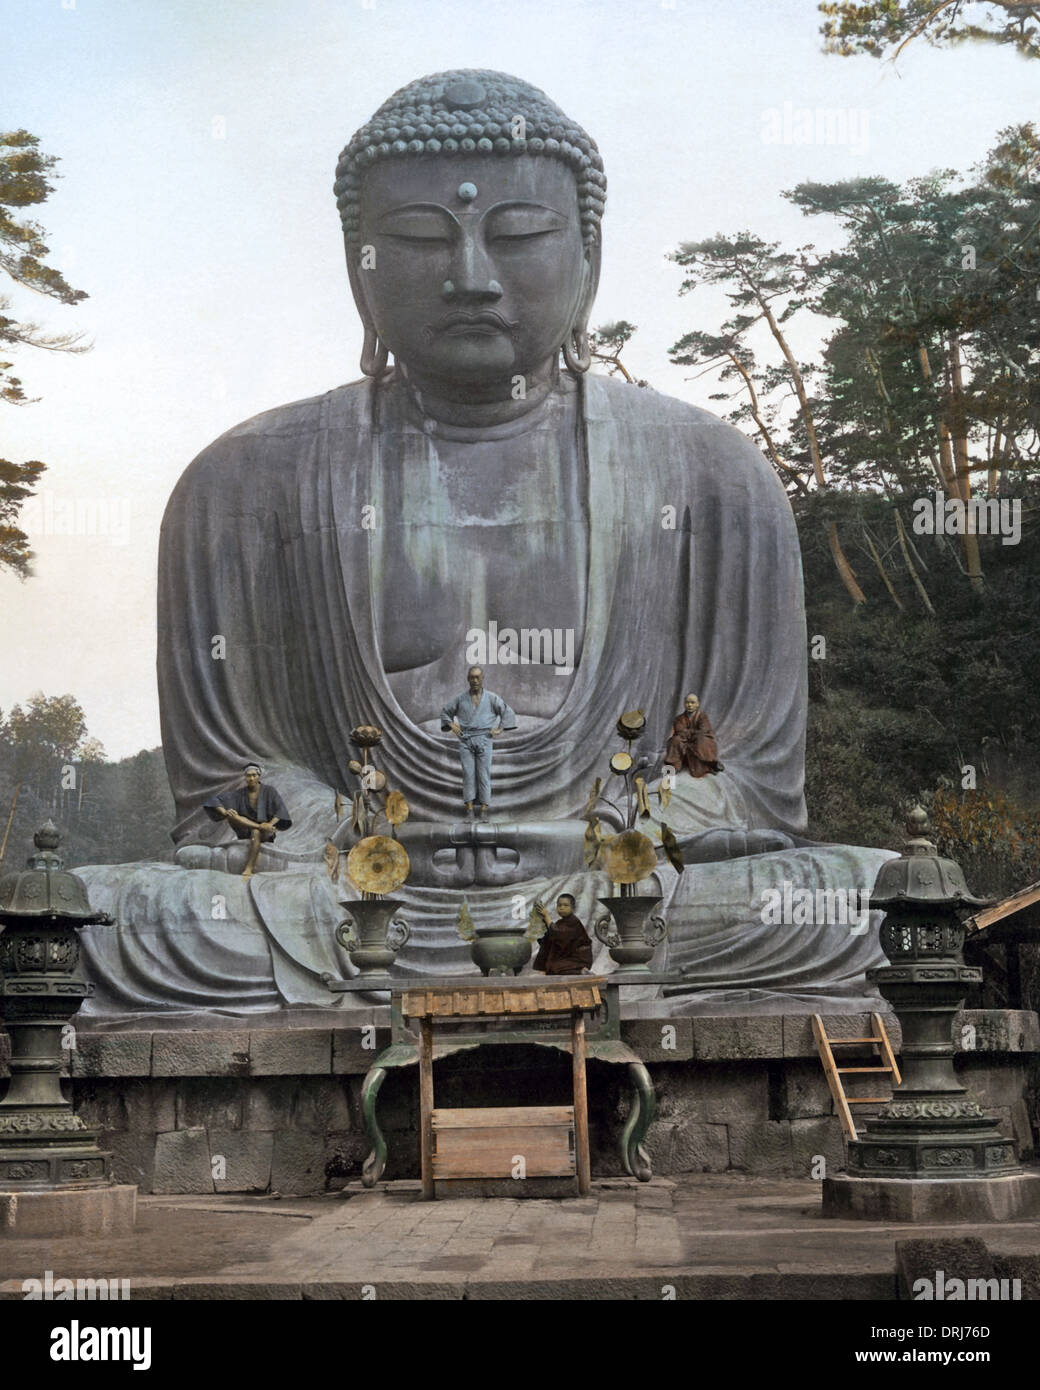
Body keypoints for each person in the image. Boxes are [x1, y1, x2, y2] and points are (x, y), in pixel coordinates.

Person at [75, 69, 895, 1018]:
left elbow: (750, 785)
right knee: (108, 916)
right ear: (360, 265)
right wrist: (343, 832)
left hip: (619, 893)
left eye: (518, 235)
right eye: (421, 239)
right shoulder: (244, 481)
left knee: (858, 899)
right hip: (346, 901)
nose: (471, 275)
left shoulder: (710, 473)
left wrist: (616, 833)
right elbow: (230, 783)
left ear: (588, 254)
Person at [440, 666, 516, 818]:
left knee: (483, 774)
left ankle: (483, 810)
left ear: (482, 679)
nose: (475, 680)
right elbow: (445, 712)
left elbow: (507, 712)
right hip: (465, 740)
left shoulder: (492, 698)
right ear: (468, 679)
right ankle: (469, 810)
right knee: (468, 774)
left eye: (477, 677)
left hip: (485, 739)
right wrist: (451, 724)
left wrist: (500, 729)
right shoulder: (460, 699)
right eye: (472, 677)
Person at [203, 764, 292, 878]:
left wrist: (269, 824)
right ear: (245, 777)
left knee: (256, 832)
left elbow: (280, 810)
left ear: (259, 776)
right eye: (248, 776)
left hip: (266, 830)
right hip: (245, 828)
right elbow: (213, 801)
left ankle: (249, 868)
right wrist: (224, 812)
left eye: (254, 775)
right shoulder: (239, 793)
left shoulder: (269, 791)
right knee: (232, 815)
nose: (251, 778)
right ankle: (258, 827)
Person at [664, 695, 724, 779]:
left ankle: (711, 763)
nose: (690, 705)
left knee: (702, 739)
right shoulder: (679, 718)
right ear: (684, 704)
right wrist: (693, 733)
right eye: (687, 702)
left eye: (692, 703)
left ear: (697, 704)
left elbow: (704, 730)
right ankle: (674, 766)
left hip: (697, 741)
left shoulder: (702, 716)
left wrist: (690, 734)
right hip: (683, 741)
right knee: (675, 740)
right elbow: (679, 731)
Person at [532, 894, 593, 975]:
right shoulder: (560, 922)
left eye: (566, 905)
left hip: (579, 959)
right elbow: (553, 935)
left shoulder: (574, 921)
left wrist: (547, 917)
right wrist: (544, 919)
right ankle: (543, 970)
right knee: (547, 942)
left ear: (573, 908)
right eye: (559, 905)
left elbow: (558, 933)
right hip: (567, 956)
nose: (562, 908)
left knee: (554, 968)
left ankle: (581, 971)